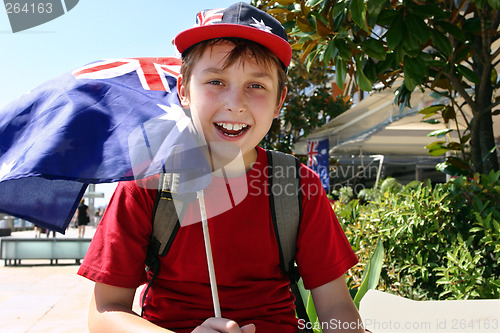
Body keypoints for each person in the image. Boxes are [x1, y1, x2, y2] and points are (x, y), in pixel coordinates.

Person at [77, 2, 363, 332]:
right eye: (215, 81)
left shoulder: (299, 186)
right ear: (184, 91)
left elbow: (336, 306)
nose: (235, 103)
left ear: (279, 101)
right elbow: (104, 312)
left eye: (256, 86)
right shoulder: (146, 182)